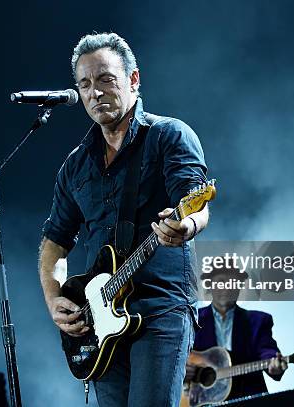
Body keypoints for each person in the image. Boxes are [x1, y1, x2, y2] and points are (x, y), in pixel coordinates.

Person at [38, 32, 209, 406]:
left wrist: (186, 226)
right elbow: (55, 240)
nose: (94, 93)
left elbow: (196, 204)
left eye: (105, 80)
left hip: (160, 310)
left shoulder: (169, 135)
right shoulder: (75, 165)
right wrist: (54, 299)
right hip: (99, 322)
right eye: (84, 84)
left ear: (133, 79)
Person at [187, 268, 287, 400]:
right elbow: (174, 354)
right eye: (221, 282)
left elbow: (267, 350)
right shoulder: (191, 319)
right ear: (210, 286)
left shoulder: (258, 321)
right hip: (200, 399)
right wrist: (183, 369)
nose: (226, 288)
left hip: (248, 397)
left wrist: (274, 364)